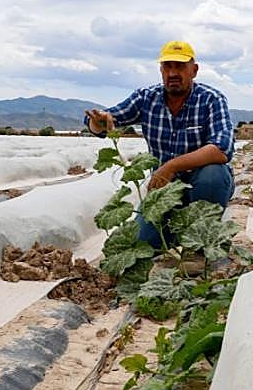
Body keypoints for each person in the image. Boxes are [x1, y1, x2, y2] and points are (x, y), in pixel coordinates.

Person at [84, 40, 235, 246]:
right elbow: (106, 120)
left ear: (194, 70)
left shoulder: (211, 99)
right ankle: (176, 233)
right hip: (163, 191)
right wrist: (97, 123)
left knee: (214, 175)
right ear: (161, 70)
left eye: (180, 66)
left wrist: (171, 166)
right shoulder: (146, 98)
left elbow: (221, 149)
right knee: (141, 243)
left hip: (199, 187)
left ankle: (201, 244)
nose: (173, 73)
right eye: (167, 66)